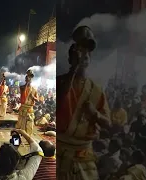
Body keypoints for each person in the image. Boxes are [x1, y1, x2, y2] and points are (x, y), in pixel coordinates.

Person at [56, 26, 111, 180]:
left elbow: (108, 124)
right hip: (60, 154)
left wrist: (95, 114)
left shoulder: (96, 90)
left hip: (84, 157)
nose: (84, 55)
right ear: (70, 58)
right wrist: (74, 68)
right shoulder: (60, 82)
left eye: (87, 52)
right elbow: (61, 98)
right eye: (80, 51)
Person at [15, 70, 38, 135]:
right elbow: (23, 91)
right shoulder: (22, 87)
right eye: (28, 78)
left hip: (30, 109)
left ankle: (28, 137)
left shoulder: (34, 89)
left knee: (29, 124)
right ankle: (20, 135)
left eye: (30, 78)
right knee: (21, 124)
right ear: (25, 79)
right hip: (23, 108)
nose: (29, 79)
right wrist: (27, 84)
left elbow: (38, 100)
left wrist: (33, 97)